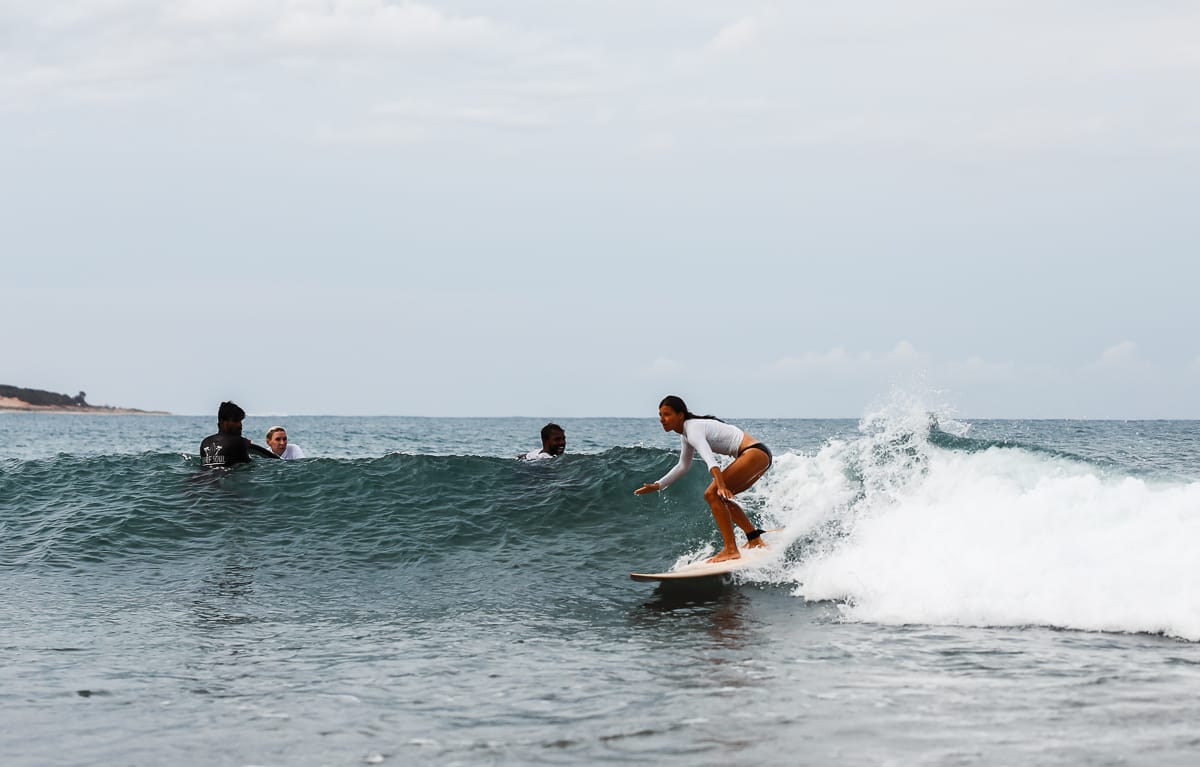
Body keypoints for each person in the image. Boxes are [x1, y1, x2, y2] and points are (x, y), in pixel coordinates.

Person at [634, 395, 772, 563]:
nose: (662, 419)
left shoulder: (693, 429)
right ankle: (754, 538)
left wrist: (720, 485)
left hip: (753, 453)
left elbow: (709, 459)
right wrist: (658, 485)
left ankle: (730, 549)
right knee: (721, 500)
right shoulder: (686, 434)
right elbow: (682, 466)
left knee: (712, 494)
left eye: (667, 414)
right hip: (759, 455)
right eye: (660, 415)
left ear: (680, 415)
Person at [199, 401, 279, 468]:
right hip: (225, 481)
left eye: (240, 421)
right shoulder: (239, 442)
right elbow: (255, 462)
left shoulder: (205, 442)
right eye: (236, 421)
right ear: (224, 422)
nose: (240, 425)